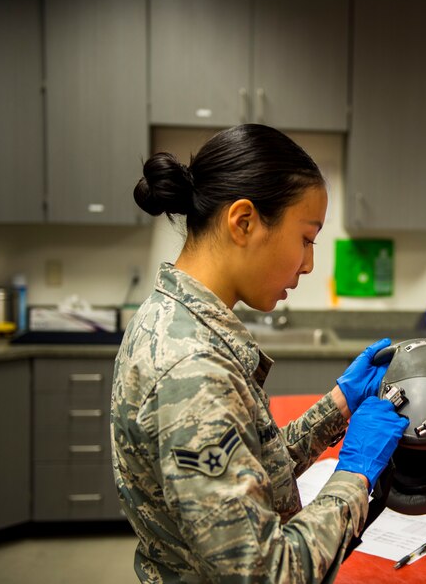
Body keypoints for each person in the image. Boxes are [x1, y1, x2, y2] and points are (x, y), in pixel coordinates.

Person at [111, 124, 409, 583]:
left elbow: (248, 473)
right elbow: (267, 574)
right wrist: (354, 476)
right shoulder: (194, 370)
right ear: (244, 221)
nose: (309, 263)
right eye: (306, 238)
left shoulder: (170, 319)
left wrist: (338, 408)